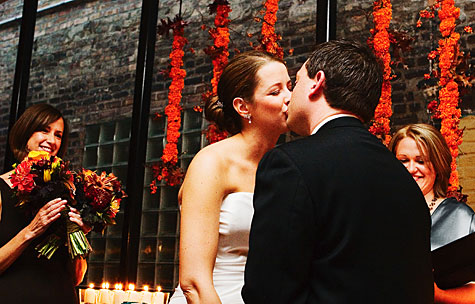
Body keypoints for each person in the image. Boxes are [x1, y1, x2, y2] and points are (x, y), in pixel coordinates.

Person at [242, 39, 434, 304]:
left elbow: (268, 290)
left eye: (296, 82)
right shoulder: (404, 179)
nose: (289, 96)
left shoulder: (290, 164)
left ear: (317, 82)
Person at [167, 50, 291, 304]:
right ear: (243, 106)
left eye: (290, 86)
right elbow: (193, 281)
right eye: (275, 91)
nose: (289, 98)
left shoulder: (285, 167)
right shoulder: (212, 163)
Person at [0, 103, 88, 303]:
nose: (52, 140)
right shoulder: (0, 189)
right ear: (26, 134)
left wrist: (78, 236)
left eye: (58, 135)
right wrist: (31, 231)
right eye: (44, 130)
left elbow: (76, 277)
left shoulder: (67, 192)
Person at [390, 123, 475, 303]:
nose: (411, 169)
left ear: (437, 165)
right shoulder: (376, 213)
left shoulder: (461, 218)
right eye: (403, 160)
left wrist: (438, 295)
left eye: (421, 161)